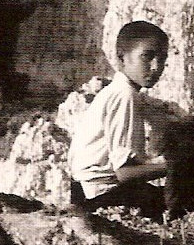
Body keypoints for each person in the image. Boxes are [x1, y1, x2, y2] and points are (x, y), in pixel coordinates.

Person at [68, 20, 169, 220]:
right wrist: (177, 164)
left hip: (86, 190)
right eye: (147, 57)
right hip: (100, 196)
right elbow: (124, 173)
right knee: (193, 193)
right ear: (122, 59)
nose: (156, 67)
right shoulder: (125, 96)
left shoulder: (119, 92)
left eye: (162, 59)